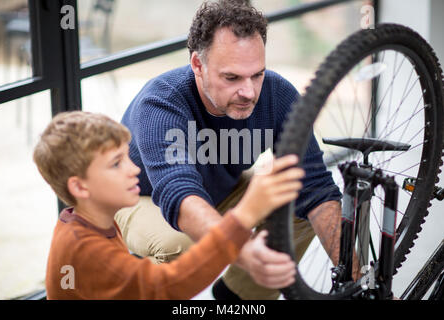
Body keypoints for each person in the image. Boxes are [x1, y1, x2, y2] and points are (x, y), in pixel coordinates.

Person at [116, 0, 344, 300]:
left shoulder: (277, 95)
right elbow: (179, 193)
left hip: (220, 189)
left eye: (257, 74)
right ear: (198, 65)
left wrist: (359, 278)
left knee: (298, 196)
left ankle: (238, 296)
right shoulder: (162, 103)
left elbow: (316, 186)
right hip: (141, 197)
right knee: (181, 243)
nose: (249, 92)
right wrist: (243, 249)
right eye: (232, 77)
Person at [33, 111, 304, 299]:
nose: (133, 169)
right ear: (80, 187)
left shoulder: (87, 221)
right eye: (116, 163)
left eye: (128, 157)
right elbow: (167, 286)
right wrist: (244, 215)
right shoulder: (85, 249)